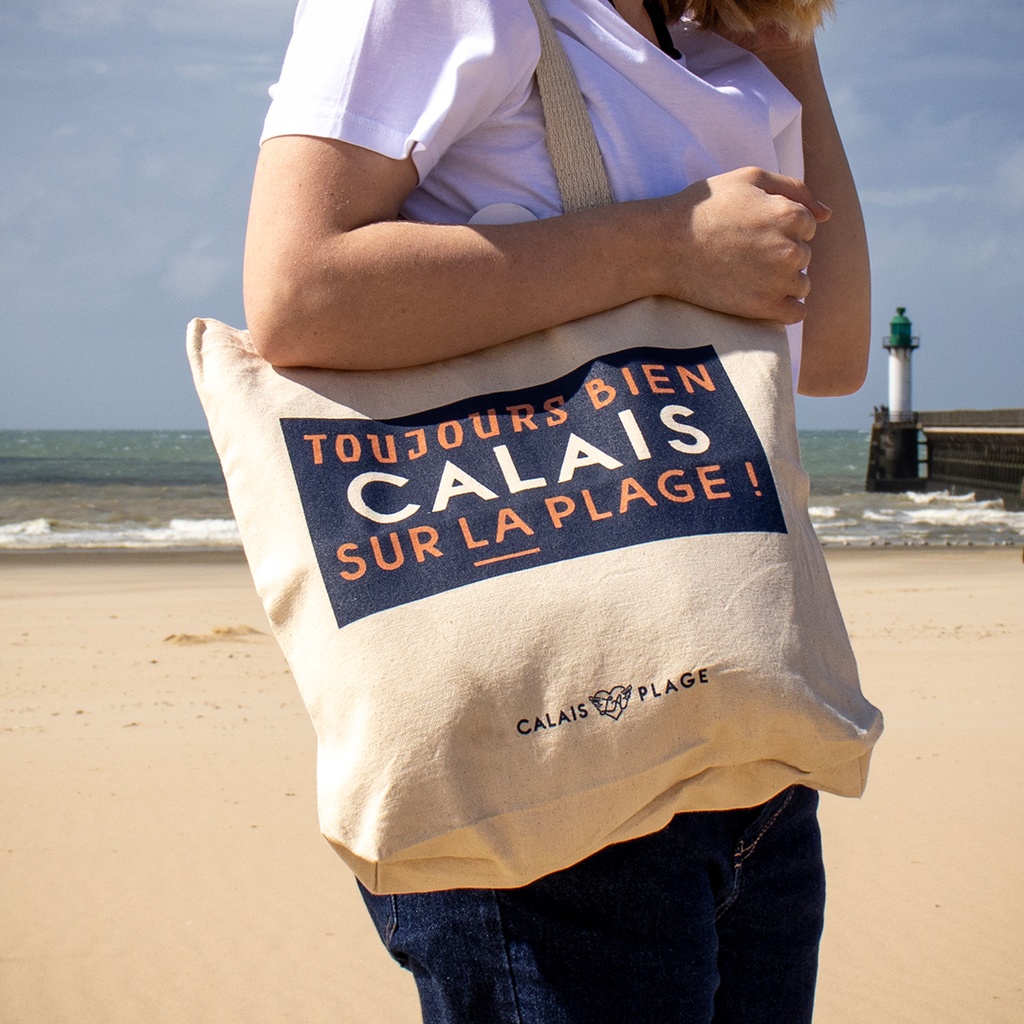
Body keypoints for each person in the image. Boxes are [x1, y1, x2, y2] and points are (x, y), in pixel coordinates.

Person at [243, 1, 872, 1021]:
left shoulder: (711, 36)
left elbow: (833, 351)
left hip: (742, 758)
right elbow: (298, 293)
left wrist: (781, 37)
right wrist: (660, 248)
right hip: (544, 777)